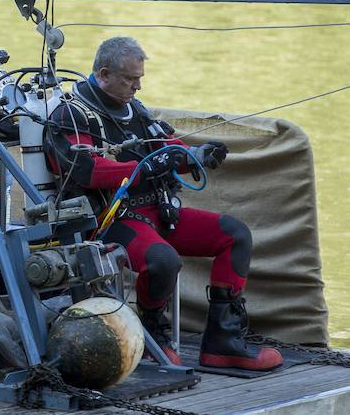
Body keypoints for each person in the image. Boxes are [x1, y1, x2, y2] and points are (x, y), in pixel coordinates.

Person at [46, 36, 282, 371]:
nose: (138, 86)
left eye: (140, 78)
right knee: (163, 260)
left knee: (235, 234)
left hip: (159, 213)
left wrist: (197, 155)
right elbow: (81, 170)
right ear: (103, 74)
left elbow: (167, 148)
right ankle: (152, 332)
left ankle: (222, 342)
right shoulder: (71, 114)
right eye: (130, 79)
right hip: (114, 219)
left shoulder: (136, 110)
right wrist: (142, 169)